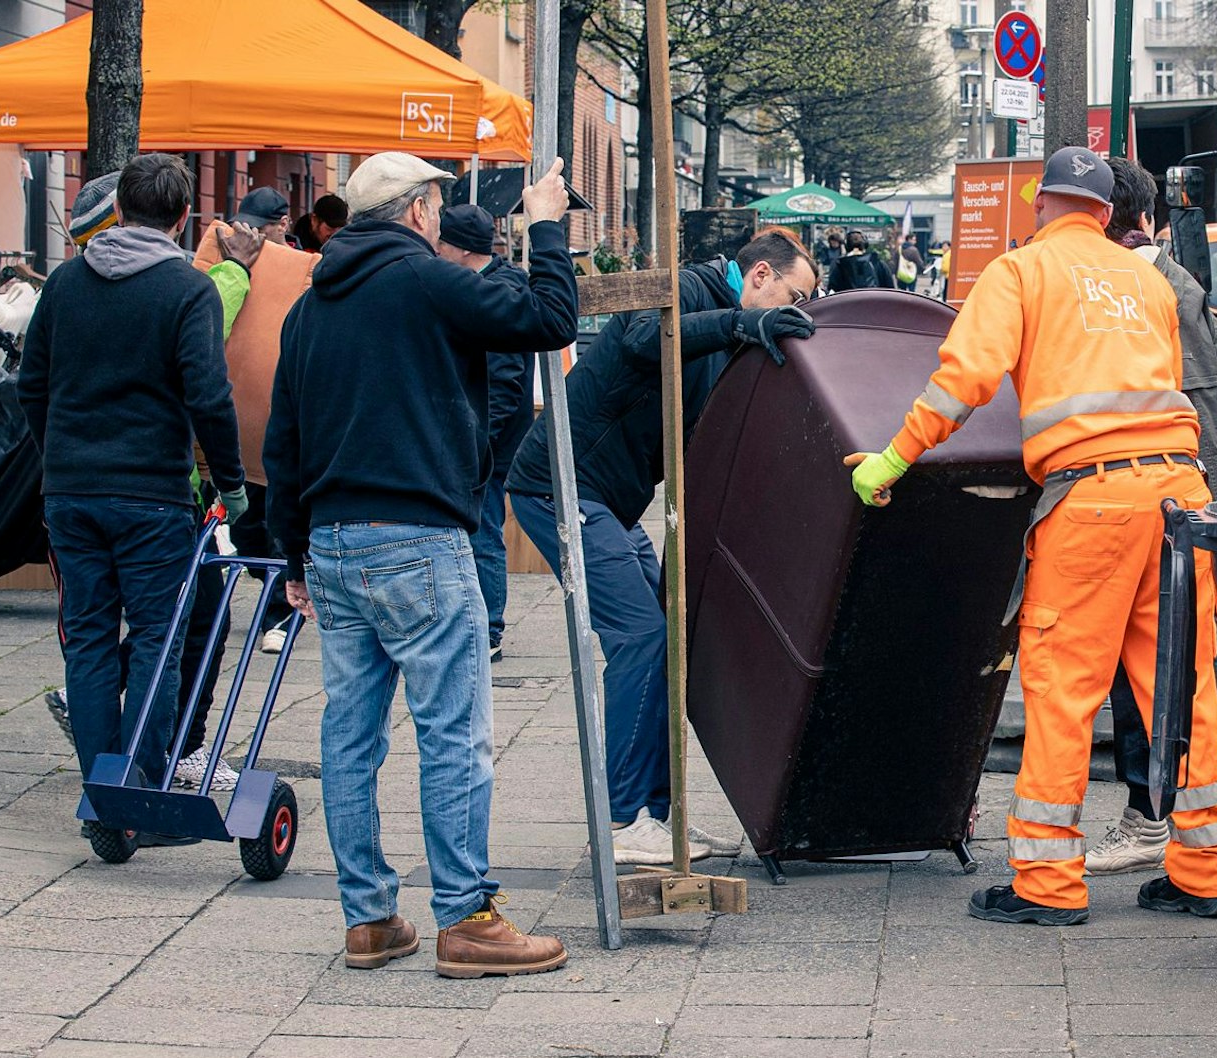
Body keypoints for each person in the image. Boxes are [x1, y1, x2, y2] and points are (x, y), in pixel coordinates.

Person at [846, 146, 1217, 926]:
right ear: (1106, 211)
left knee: (1063, 689)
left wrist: (890, 459)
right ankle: (1205, 871)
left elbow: (963, 381)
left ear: (1042, 203)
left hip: (1091, 502)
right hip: (1180, 498)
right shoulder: (1148, 280)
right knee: (1181, 687)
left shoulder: (1020, 273)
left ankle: (1048, 885)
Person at [266, 152, 577, 977]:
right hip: (418, 536)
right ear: (418, 213)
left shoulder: (310, 308)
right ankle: (467, 918)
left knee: (351, 734)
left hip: (331, 540)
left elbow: (284, 442)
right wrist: (545, 223)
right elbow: (550, 320)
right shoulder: (429, 282)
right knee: (453, 733)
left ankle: (369, 918)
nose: (439, 215)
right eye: (436, 202)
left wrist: (291, 549)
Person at [506, 231, 816, 865]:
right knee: (640, 637)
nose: (798, 311)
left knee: (670, 642)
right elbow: (646, 337)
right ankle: (624, 823)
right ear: (759, 275)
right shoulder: (682, 287)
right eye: (796, 296)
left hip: (607, 503)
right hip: (557, 486)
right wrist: (736, 324)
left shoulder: (728, 328)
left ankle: (659, 819)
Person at [19, 153, 249, 846]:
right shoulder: (187, 290)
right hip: (153, 495)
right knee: (158, 638)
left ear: (118, 209)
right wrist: (232, 485)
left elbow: (32, 384)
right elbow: (209, 396)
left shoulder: (64, 284)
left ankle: (102, 792)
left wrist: (59, 453)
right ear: (184, 219)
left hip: (72, 493)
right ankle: (138, 790)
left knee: (87, 639)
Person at [1082, 155, 1217, 876]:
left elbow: (1196, 408)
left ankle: (1153, 817)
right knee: (1176, 670)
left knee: (1153, 672)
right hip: (1183, 499)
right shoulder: (1172, 281)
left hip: (1155, 505)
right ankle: (1176, 826)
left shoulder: (1134, 287)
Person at [193, 189, 322, 655]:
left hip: (274, 424)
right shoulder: (224, 259)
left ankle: (282, 609)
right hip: (229, 425)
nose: (243, 233)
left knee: (274, 520)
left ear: (280, 224)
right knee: (245, 525)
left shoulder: (300, 271)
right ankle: (275, 591)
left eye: (256, 227)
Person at [435, 203, 532, 663]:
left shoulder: (499, 292)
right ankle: (477, 621)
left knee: (483, 532)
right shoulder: (488, 286)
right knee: (477, 530)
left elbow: (503, 383)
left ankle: (489, 628)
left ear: (456, 247)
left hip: (486, 445)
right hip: (479, 438)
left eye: (439, 243)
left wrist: (477, 444)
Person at [827, 230, 893, 292]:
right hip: (875, 303)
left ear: (846, 246)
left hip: (848, 303)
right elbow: (890, 289)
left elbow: (832, 290)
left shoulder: (839, 265)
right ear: (866, 244)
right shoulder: (878, 263)